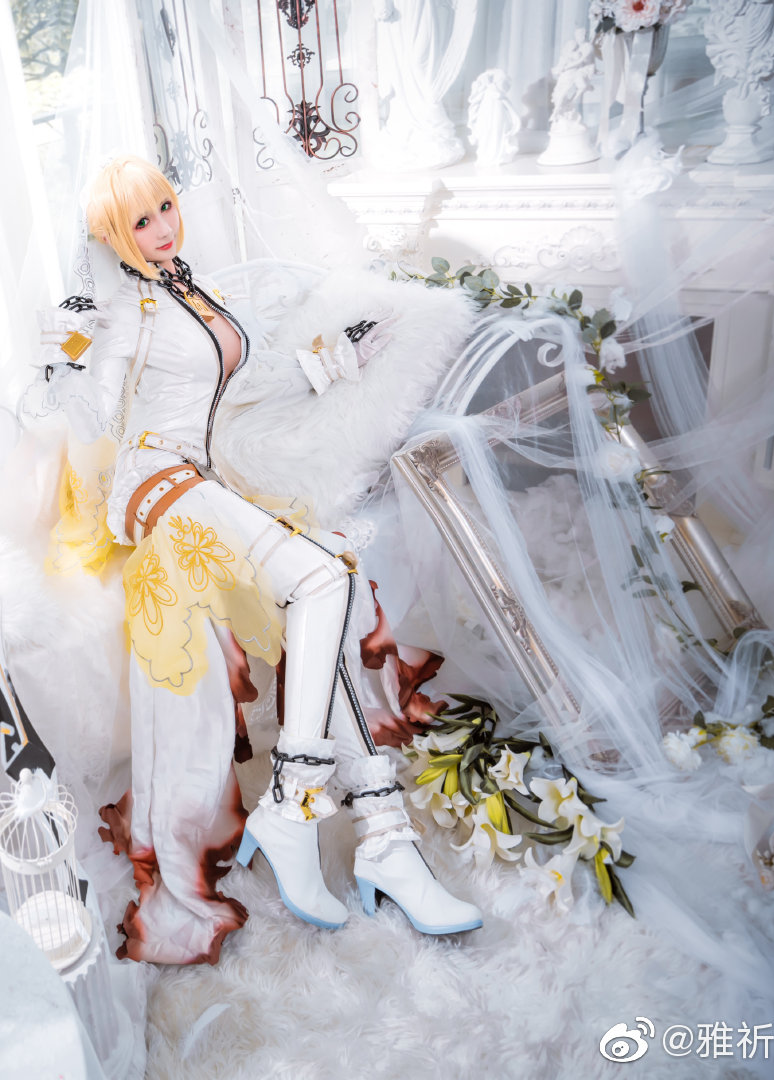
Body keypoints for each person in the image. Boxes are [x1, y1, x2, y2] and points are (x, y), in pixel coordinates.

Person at [37, 154, 482, 965]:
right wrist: (67, 342)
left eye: (165, 207)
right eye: (139, 221)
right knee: (320, 577)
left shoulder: (191, 289)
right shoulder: (127, 309)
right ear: (112, 236)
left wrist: (338, 358)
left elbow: (239, 389)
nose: (162, 226)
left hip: (200, 480)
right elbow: (85, 404)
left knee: (328, 598)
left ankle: (385, 835)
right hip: (156, 486)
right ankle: (293, 798)